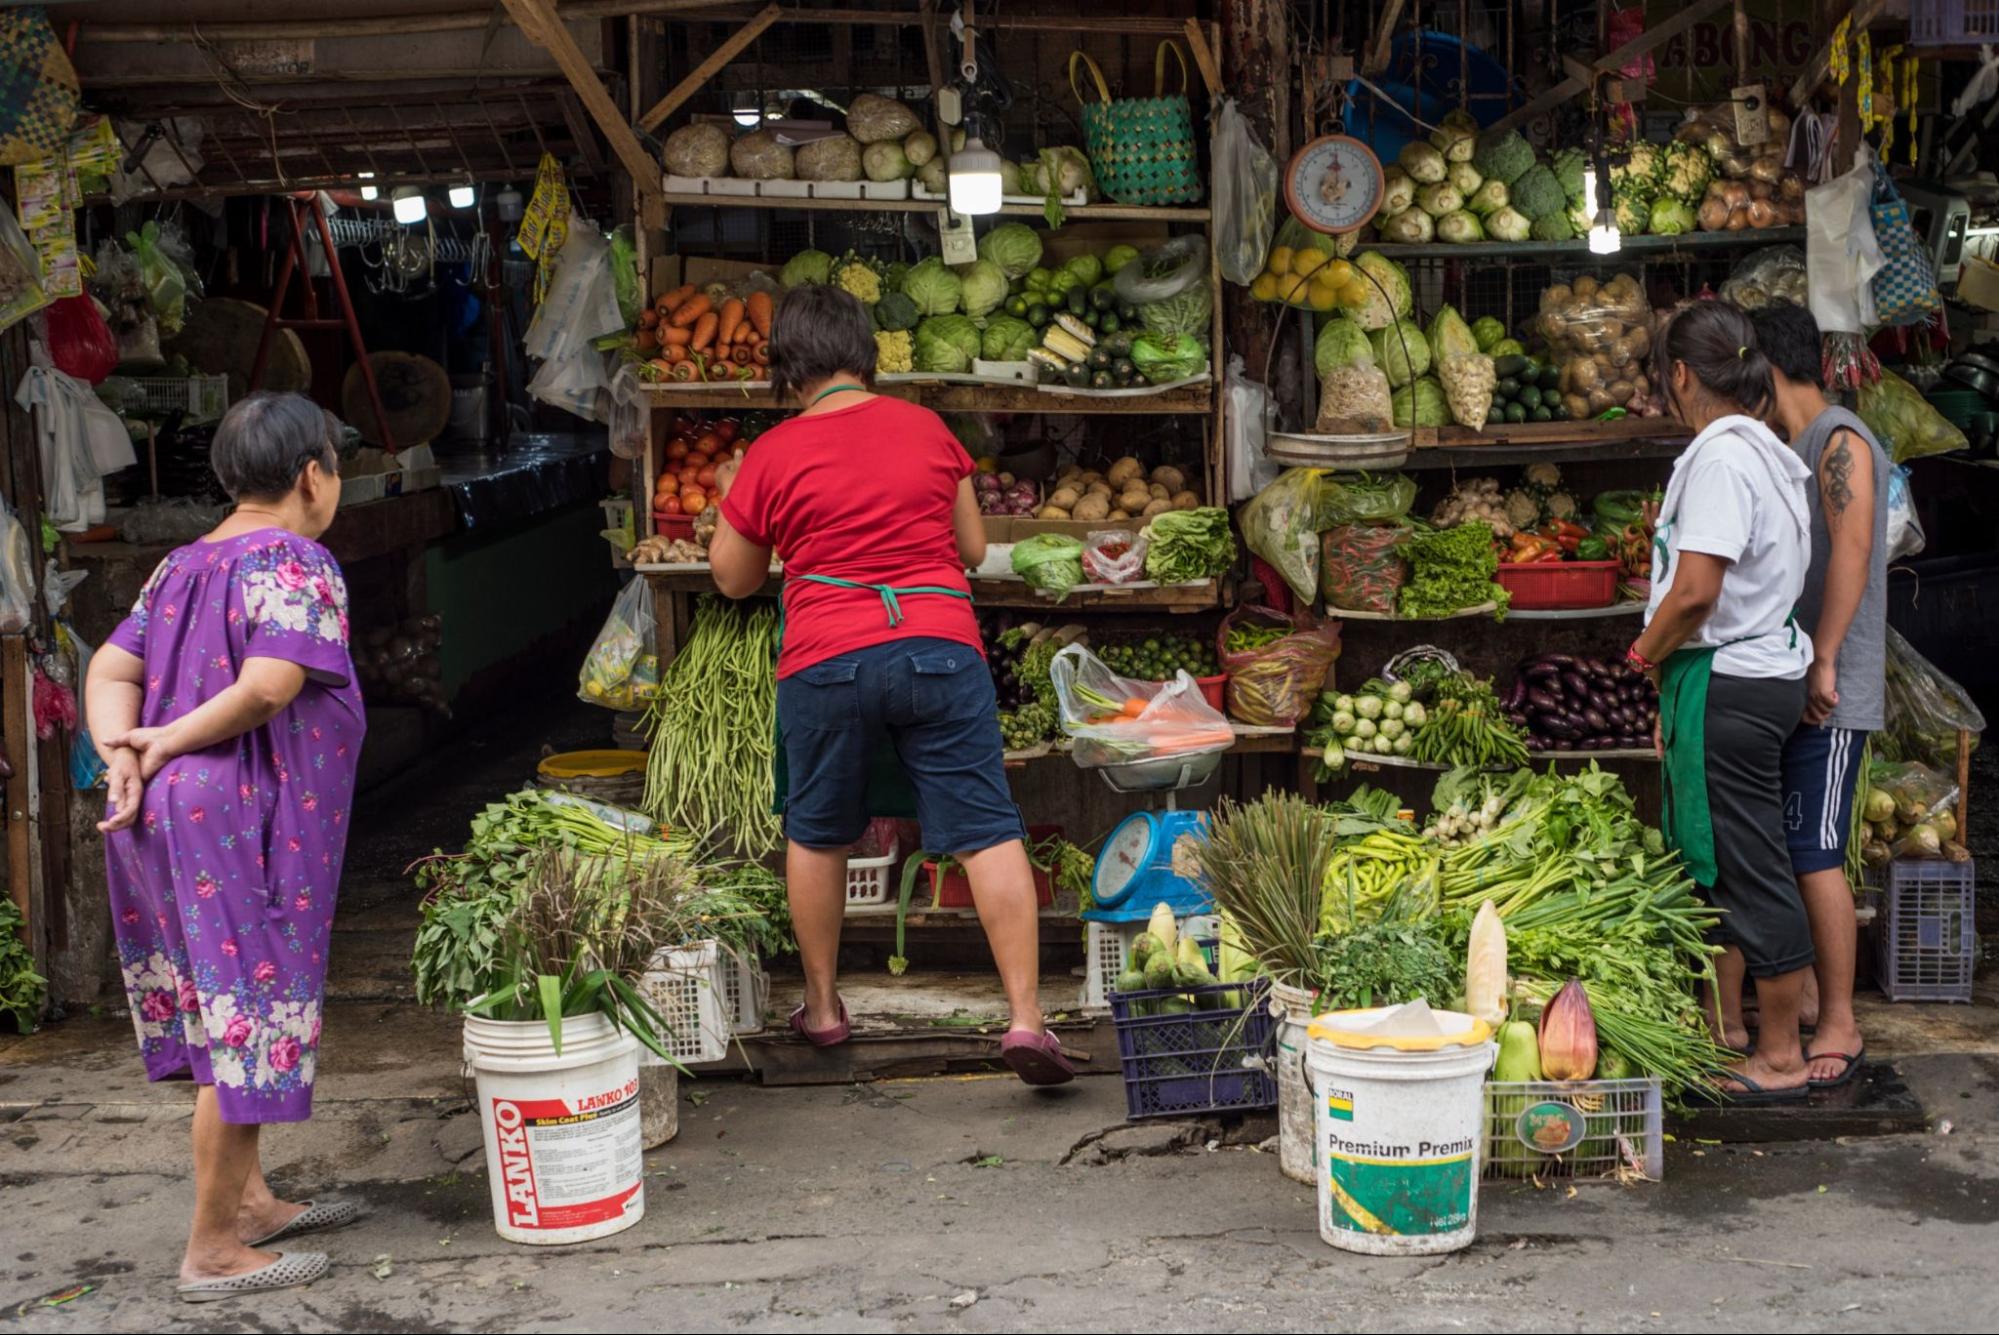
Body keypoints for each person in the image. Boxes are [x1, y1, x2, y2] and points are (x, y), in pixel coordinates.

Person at [705, 284, 1072, 1087]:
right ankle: (1025, 1018)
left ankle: (825, 1006)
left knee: (818, 829)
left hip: (825, 656)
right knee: (984, 828)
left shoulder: (774, 451)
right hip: (939, 648)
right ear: (864, 354)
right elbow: (972, 549)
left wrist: (739, 500)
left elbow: (733, 579)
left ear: (787, 363)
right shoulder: (928, 429)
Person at [84, 393, 365, 1299]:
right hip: (244, 817)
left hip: (168, 812)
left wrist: (124, 751)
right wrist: (161, 742)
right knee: (246, 1017)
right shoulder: (297, 557)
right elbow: (273, 682)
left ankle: (249, 1201)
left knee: (219, 1009)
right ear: (311, 476)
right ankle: (212, 1248)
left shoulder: (179, 564)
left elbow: (108, 666)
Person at [1626, 301, 1817, 1103]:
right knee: (1749, 860)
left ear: (1678, 375)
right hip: (1763, 675)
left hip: (1728, 685)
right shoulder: (1766, 454)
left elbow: (1696, 590)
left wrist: (1645, 649)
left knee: (1749, 867)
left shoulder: (1720, 460)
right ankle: (1748, 1034)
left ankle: (1777, 1055)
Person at [1749, 301, 1888, 1091]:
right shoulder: (1798, 444)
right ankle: (1807, 995)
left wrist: (1823, 659)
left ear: (1767, 369)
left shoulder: (1838, 439)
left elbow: (1855, 547)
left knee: (1815, 852)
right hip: (1802, 678)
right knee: (1791, 844)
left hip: (1829, 687)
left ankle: (1839, 1020)